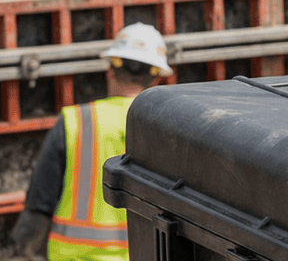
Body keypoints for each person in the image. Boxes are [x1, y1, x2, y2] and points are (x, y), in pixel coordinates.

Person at [11, 23, 173, 261]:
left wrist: (24, 249)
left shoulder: (76, 121)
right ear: (157, 78)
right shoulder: (169, 129)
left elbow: (40, 202)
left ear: (110, 70)